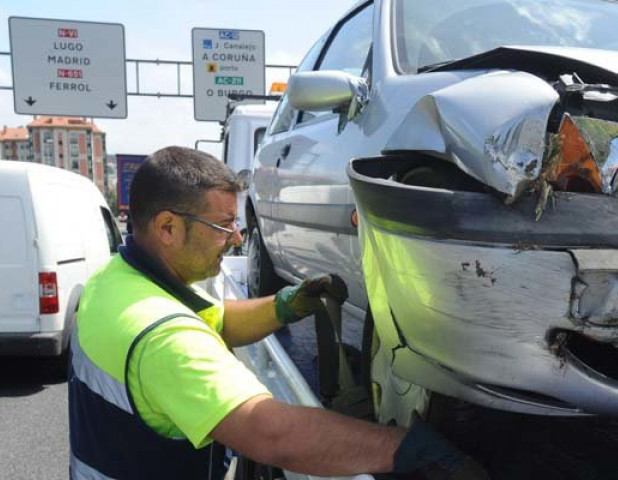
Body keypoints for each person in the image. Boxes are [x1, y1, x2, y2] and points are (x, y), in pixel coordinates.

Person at [67, 147, 487, 480]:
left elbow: (217, 322)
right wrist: (404, 448)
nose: (235, 239)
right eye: (222, 225)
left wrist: (285, 305)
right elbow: (270, 433)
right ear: (167, 228)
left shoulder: (118, 281)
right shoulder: (163, 337)